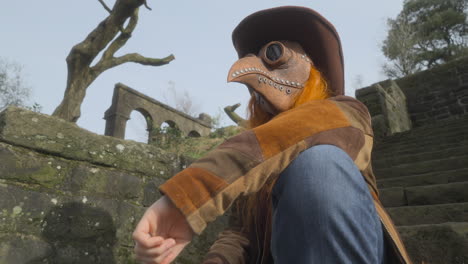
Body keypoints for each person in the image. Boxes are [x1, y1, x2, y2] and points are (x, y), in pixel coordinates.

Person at [133, 6, 412, 264]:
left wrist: (187, 196)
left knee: (319, 164)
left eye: (274, 54)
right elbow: (240, 233)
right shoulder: (258, 158)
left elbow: (298, 130)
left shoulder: (346, 113)